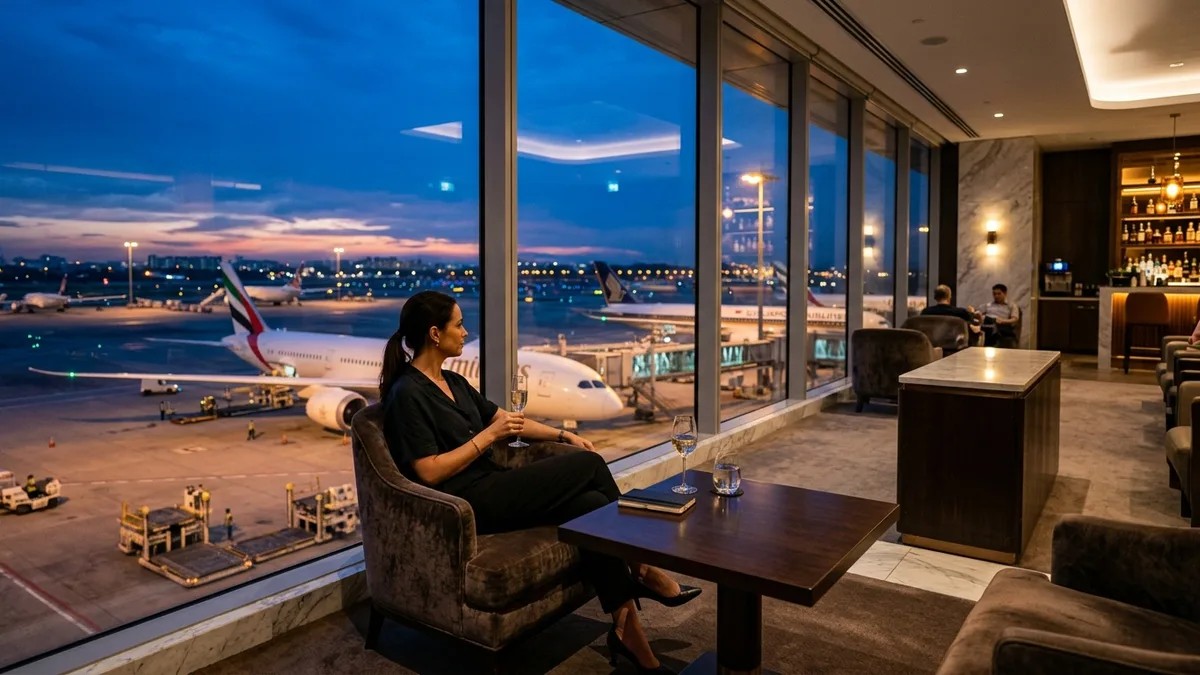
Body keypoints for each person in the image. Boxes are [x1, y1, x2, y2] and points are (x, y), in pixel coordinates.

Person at [381, 291, 697, 674]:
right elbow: (428, 471)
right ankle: (642, 568)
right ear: (434, 333)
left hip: (492, 484)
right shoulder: (407, 393)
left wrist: (563, 436)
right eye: (459, 324)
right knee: (590, 465)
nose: (465, 332)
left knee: (591, 505)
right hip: (465, 503)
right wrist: (486, 438)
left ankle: (627, 629)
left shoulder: (453, 381)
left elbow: (508, 420)